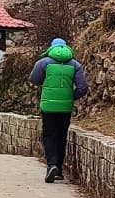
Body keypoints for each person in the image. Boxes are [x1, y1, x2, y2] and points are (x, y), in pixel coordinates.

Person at [28, 38, 88, 183]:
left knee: (49, 135)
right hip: (65, 108)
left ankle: (52, 165)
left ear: (51, 48)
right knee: (61, 136)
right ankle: (59, 170)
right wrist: (70, 97)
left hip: (48, 106)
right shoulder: (75, 65)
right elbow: (83, 87)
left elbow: (34, 79)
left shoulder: (43, 63)